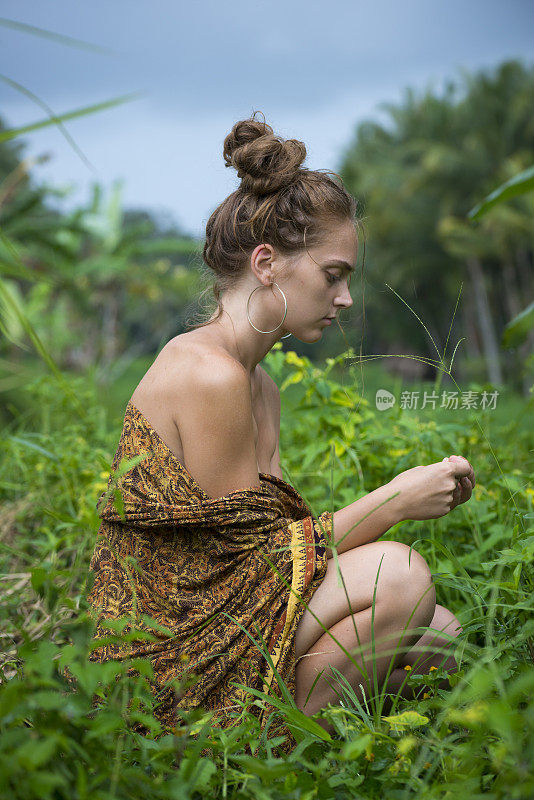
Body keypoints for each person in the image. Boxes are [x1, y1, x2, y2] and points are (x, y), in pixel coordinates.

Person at [87, 111, 475, 747]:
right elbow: (254, 570)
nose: (345, 298)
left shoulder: (257, 383)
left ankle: (298, 723)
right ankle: (276, 749)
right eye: (333, 274)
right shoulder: (207, 374)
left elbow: (275, 562)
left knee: (444, 636)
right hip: (170, 652)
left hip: (230, 617)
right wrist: (395, 501)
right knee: (401, 577)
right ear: (266, 263)